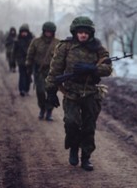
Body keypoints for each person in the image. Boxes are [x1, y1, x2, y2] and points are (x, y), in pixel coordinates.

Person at [45, 16, 112, 171]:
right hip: (71, 92)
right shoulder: (65, 47)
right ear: (75, 32)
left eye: (86, 32)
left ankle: (86, 157)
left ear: (90, 33)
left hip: (90, 92)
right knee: (71, 122)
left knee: (89, 127)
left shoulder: (98, 48)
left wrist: (93, 69)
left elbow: (108, 68)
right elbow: (54, 71)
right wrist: (51, 92)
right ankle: (74, 147)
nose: (83, 35)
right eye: (80, 32)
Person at [26, 21, 59, 121]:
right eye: (47, 31)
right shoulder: (36, 42)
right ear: (44, 31)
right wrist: (28, 65)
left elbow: (64, 57)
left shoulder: (58, 43)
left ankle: (49, 111)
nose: (48, 33)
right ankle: (42, 108)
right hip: (40, 70)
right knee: (40, 91)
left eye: (50, 31)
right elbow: (30, 54)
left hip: (53, 71)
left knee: (51, 92)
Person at [13, 23, 34, 97]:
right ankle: (21, 89)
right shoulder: (17, 40)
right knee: (22, 75)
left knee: (28, 76)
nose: (24, 33)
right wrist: (14, 61)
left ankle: (26, 89)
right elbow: (14, 51)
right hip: (21, 61)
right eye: (23, 32)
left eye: (25, 32)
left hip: (30, 62)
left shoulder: (32, 40)